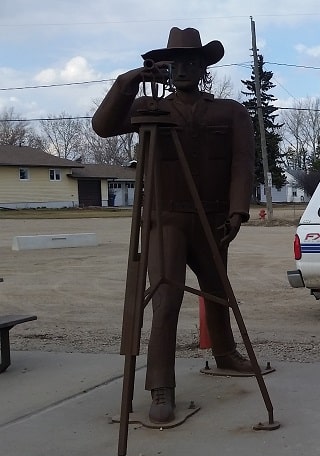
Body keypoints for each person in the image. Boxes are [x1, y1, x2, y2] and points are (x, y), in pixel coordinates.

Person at [93, 27, 256, 423]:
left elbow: (242, 164)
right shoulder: (150, 109)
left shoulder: (230, 111)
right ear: (163, 68)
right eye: (174, 63)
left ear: (204, 68)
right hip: (166, 218)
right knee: (165, 298)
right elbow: (102, 125)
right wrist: (129, 80)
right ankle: (161, 386)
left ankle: (225, 354)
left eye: (191, 62)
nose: (182, 70)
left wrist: (237, 212)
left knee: (218, 291)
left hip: (214, 218)